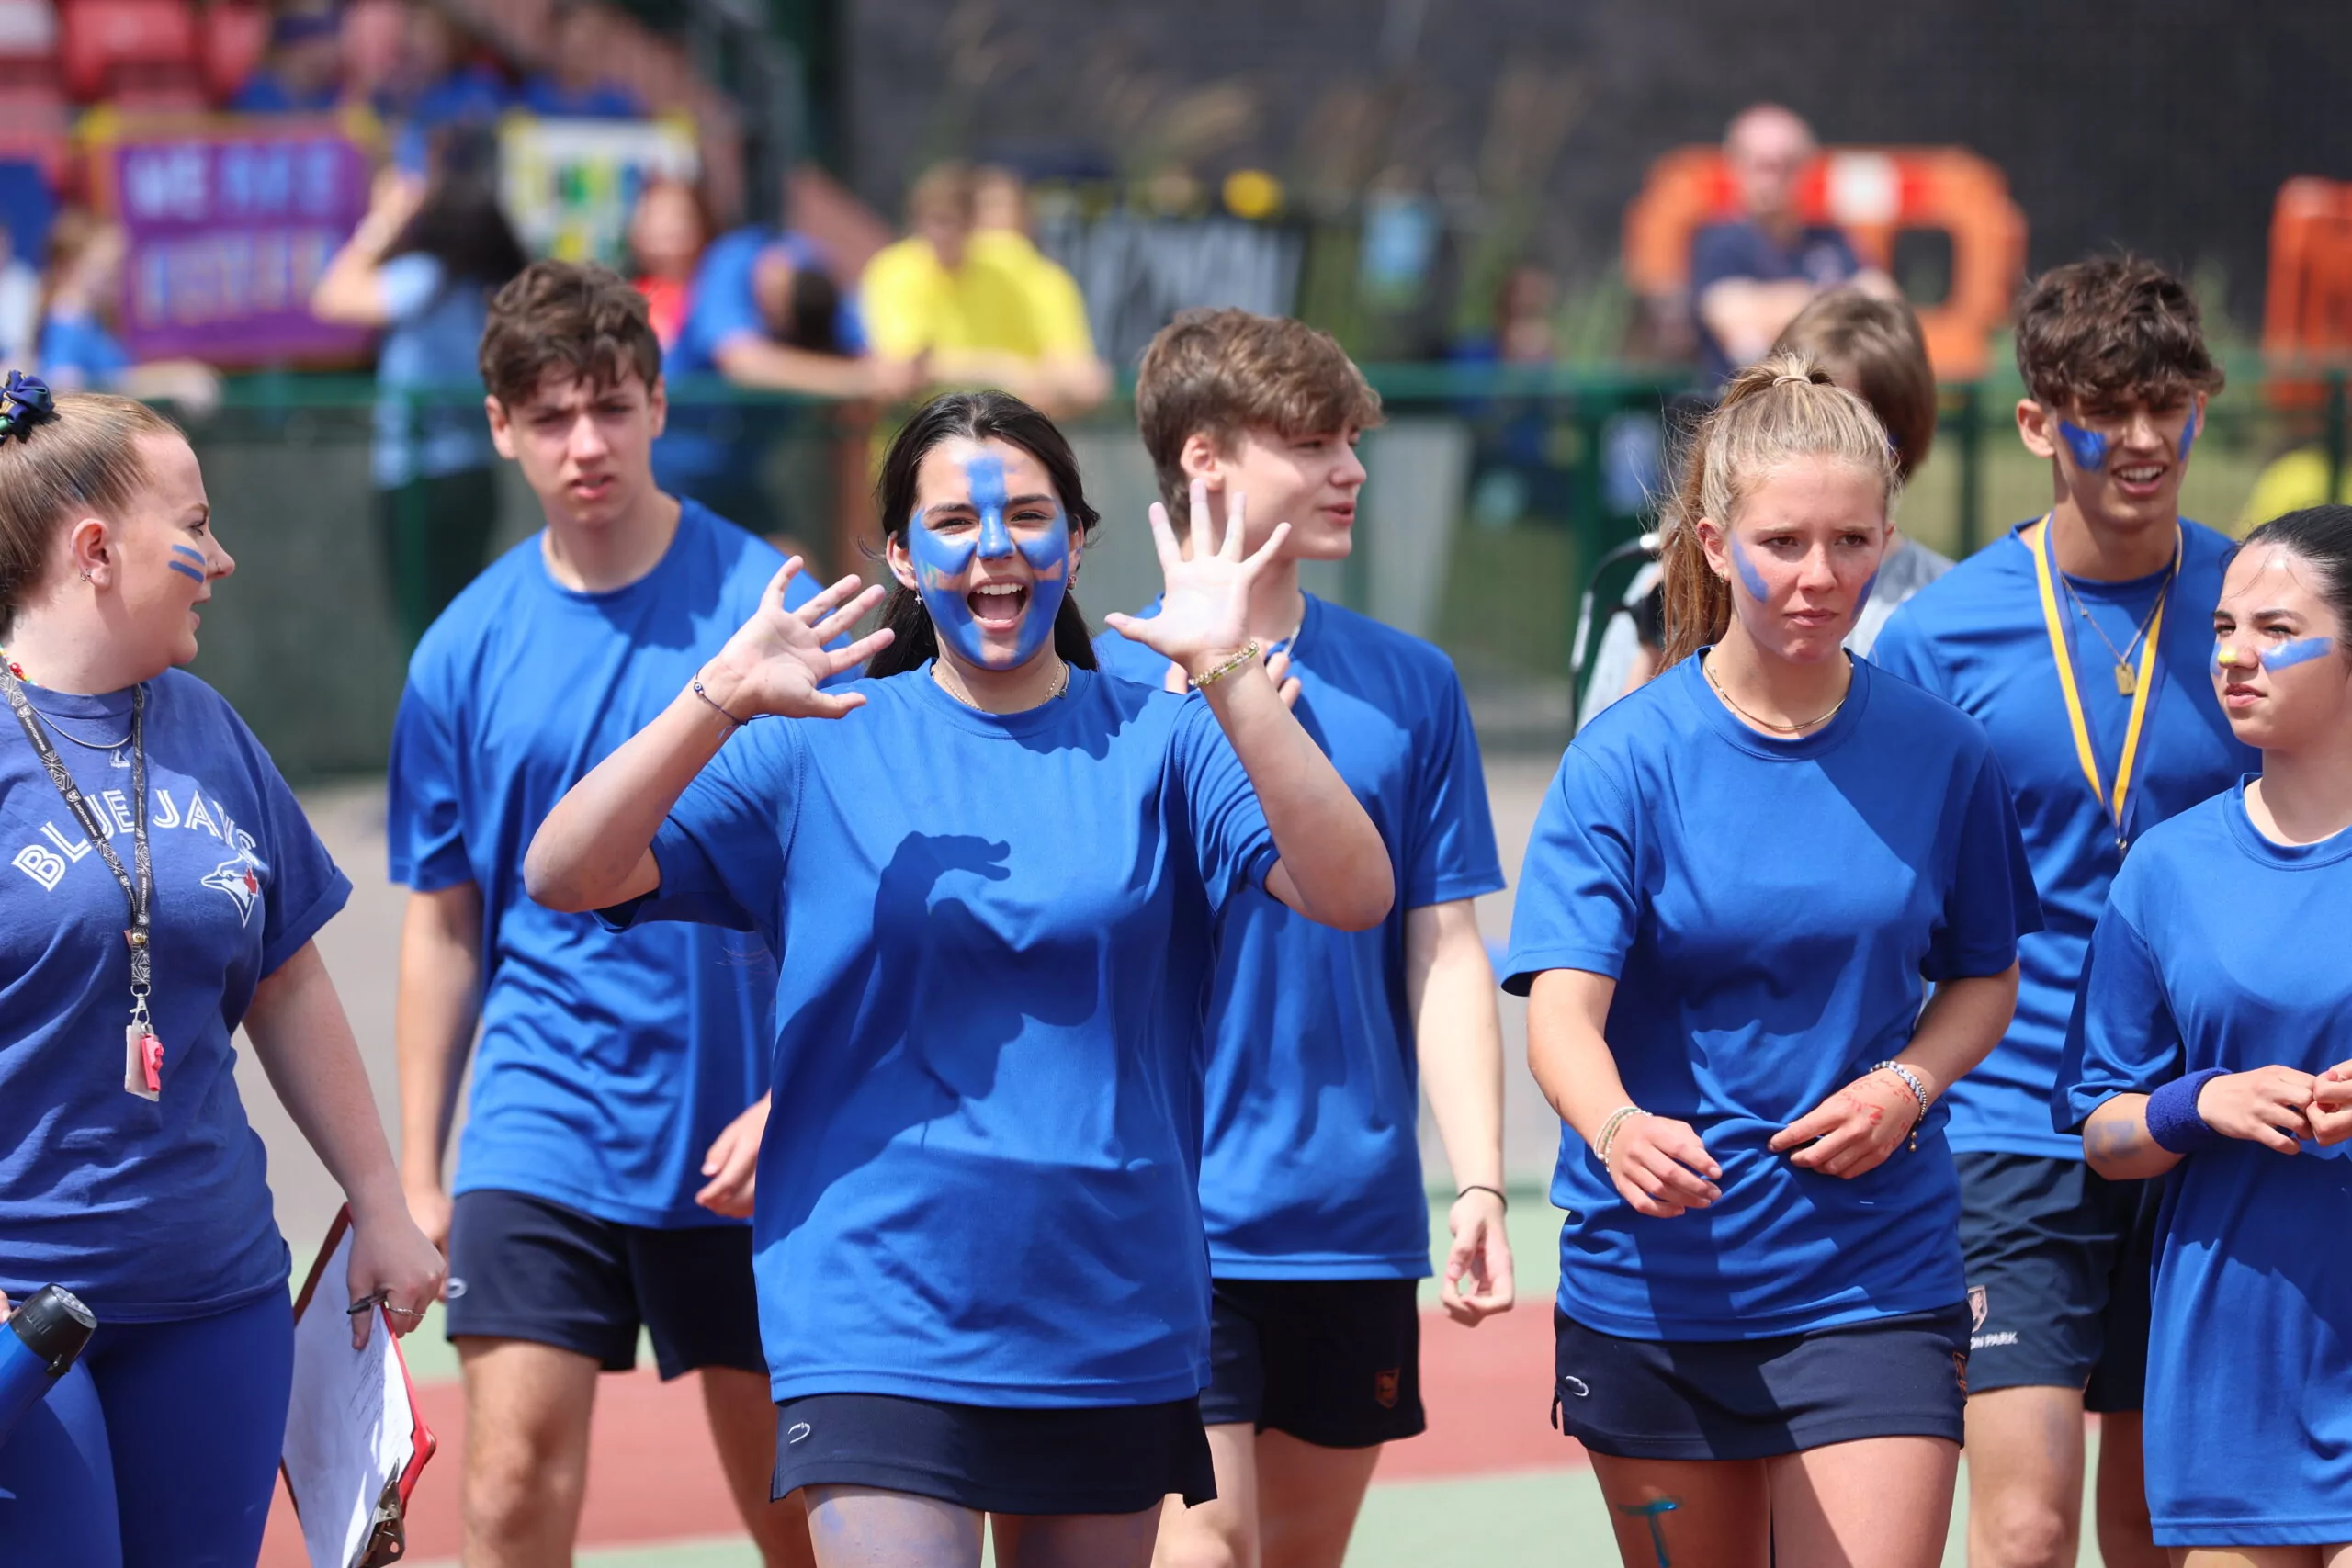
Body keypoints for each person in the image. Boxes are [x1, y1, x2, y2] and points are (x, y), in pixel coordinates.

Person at [523, 389, 1394, 1568]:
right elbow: (566, 872)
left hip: (1105, 1300)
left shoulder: (1168, 737)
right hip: (876, 1299)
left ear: (1077, 544)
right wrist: (715, 700)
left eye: (1029, 517)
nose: (994, 548)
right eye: (953, 523)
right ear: (900, 555)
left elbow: (1352, 893)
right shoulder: (817, 736)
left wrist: (1229, 667)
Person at [1507, 355, 2039, 1568]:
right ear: (1709, 540)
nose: (1818, 574)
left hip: (1875, 1275)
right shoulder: (1625, 761)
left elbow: (1983, 974)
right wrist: (1617, 1127)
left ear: (1888, 538)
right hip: (1658, 1286)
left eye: (1851, 540)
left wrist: (1909, 1081)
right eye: (1783, 540)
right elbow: (1560, 1016)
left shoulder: (1942, 753)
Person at [388, 262, 819, 1568]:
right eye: (552, 414)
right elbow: (444, 920)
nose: (588, 443)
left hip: (748, 1122)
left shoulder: (768, 612)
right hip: (542, 1116)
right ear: (502, 426)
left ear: (658, 405)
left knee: (805, 1522)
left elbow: (842, 892)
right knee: (508, 1486)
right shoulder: (461, 648)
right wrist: (419, 1168)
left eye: (613, 407)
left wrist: (799, 1086)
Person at [1094, 308, 1515, 1568]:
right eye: (1313, 442)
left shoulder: (1411, 682)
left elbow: (1443, 946)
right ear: (1206, 459)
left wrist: (1482, 1177)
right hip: (1163, 1210)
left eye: (1352, 440)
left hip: (1350, 1211)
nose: (1353, 470)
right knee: (1206, 1542)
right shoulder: (1100, 683)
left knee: (1293, 1554)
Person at [0, 377, 445, 1563]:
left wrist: (386, 1205)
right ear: (96, 549)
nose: (224, 555)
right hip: (22, 1309)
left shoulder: (205, 725)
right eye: (193, 525)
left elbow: (287, 981)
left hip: (218, 1296)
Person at [1870, 254, 2253, 1568]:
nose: (2144, 439)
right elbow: (1895, 894)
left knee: (2157, 1526)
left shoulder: (2260, 610)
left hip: (2208, 1122)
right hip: (2011, 1122)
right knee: (2025, 1527)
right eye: (2108, 407)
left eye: (2170, 404)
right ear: (2038, 422)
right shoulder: (1941, 636)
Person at [2057, 503, 2352, 1564]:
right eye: (2224, 628)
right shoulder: (2168, 871)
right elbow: (2100, 1126)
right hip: (2232, 1378)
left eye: (2276, 629)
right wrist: (2200, 1103)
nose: (2235, 656)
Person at [1587, 284, 1942, 718]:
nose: (1818, 578)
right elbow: (1605, 750)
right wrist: (1655, 635)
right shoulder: (1674, 585)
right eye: (1782, 542)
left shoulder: (1946, 604)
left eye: (1854, 428)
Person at [311, 149, 529, 646]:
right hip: (473, 478)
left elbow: (332, 296)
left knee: (425, 631)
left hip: (417, 481)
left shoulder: (428, 278)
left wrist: (384, 220)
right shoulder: (490, 289)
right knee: (460, 623)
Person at [655, 220, 898, 530]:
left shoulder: (821, 283)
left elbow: (873, 365)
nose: (771, 320)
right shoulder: (736, 256)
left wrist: (883, 376)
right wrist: (851, 381)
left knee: (794, 568)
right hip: (671, 469)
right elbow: (743, 363)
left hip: (741, 481)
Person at [1773, 287, 1951, 653]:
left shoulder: (1948, 609)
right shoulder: (1693, 585)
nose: (1820, 457)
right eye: (1803, 423)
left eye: (1856, 437)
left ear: (1897, 450)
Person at [862, 162, 1110, 418]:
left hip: (1007, 437)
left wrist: (1046, 382)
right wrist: (1006, 371)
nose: (999, 221)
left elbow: (1080, 375)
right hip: (927, 437)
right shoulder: (897, 270)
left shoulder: (1019, 267)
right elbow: (904, 368)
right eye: (990, 207)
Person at [1690, 105, 1884, 386]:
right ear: (1736, 166)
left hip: (1834, 403)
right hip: (1749, 410)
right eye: (1763, 165)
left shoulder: (1832, 239)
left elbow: (1885, 305)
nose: (1773, 179)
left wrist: (1781, 307)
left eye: (1786, 165)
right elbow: (1733, 319)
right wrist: (1843, 302)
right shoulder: (1719, 243)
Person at [37, 209, 220, 414]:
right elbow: (64, 389)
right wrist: (169, 385)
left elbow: (119, 376)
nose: (117, 274)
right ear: (71, 264)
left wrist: (173, 373)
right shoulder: (65, 322)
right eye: (107, 266)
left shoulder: (92, 323)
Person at [519, 0, 646, 118]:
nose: (581, 52)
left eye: (592, 40)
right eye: (573, 43)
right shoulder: (524, 101)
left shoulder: (619, 108)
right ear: (553, 39)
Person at [629, 175, 714, 351]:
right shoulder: (627, 300)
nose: (664, 226)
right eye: (653, 215)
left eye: (677, 216)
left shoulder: (713, 294)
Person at [231, 8, 345, 112]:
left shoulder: (326, 95)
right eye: (322, 43)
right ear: (300, 48)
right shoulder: (256, 93)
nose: (331, 53)